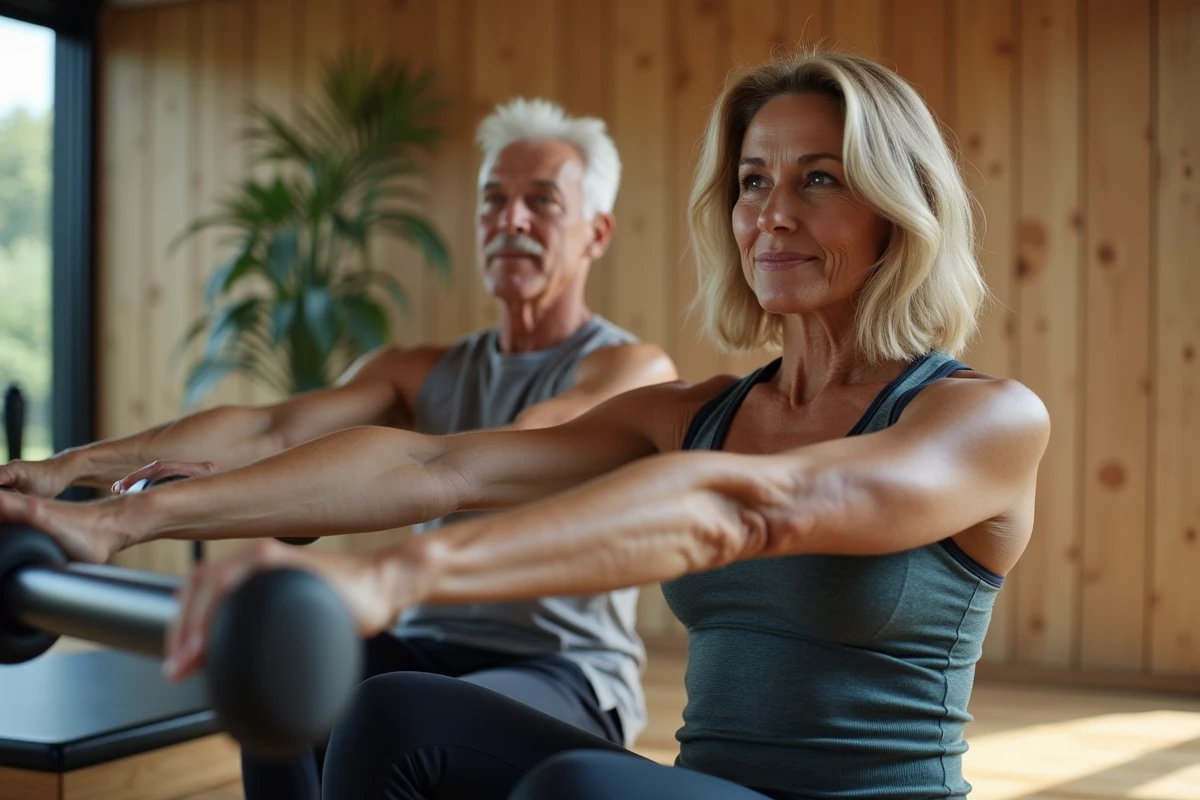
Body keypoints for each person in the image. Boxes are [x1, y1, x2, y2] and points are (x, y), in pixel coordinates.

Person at [1, 49, 1051, 799]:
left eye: (818, 178)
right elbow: (437, 464)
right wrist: (110, 513)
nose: (771, 211)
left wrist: (389, 576)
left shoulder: (984, 418)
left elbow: (755, 506)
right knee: (387, 711)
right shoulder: (695, 412)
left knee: (574, 782)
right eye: (751, 181)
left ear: (896, 208)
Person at [0, 98, 677, 798]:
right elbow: (272, 429)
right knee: (277, 664)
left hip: (561, 669)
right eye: (493, 200)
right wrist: (65, 471)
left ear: (596, 233)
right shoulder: (420, 368)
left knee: (391, 714)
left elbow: (462, 464)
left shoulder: (629, 372)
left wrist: (123, 520)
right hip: (424, 645)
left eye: (541, 201)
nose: (511, 220)